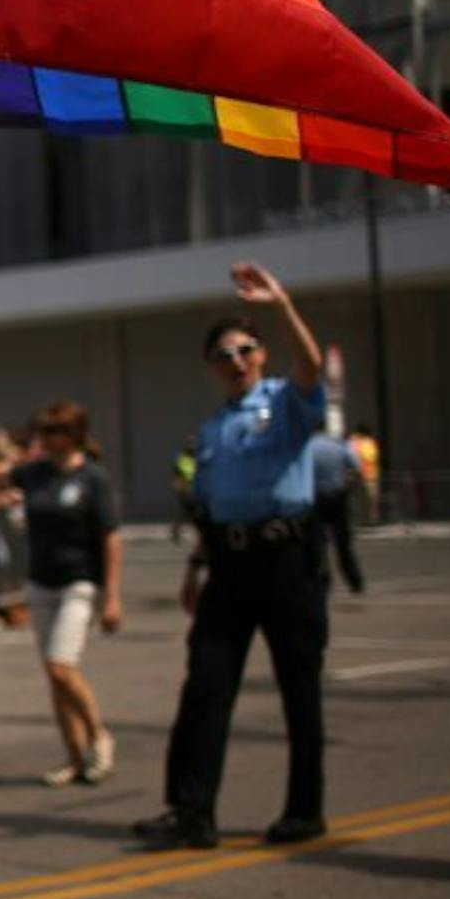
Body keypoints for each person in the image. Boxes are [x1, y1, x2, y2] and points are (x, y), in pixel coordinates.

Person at [135, 263, 331, 850]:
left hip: (288, 560)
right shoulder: (214, 429)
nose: (237, 361)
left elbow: (312, 366)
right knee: (206, 684)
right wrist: (198, 566)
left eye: (246, 350)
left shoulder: (286, 403)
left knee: (299, 689)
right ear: (212, 368)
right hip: (229, 563)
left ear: (262, 354)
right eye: (224, 355)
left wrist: (282, 303)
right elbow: (213, 502)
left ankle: (305, 809)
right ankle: (192, 811)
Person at [0, 396, 122, 786]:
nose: (44, 438)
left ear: (73, 434)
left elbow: (111, 538)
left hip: (79, 583)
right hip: (41, 583)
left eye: (53, 431)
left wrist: (112, 596)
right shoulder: (37, 472)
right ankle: (76, 758)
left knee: (62, 665)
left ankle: (99, 736)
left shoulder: (92, 478)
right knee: (54, 674)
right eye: (42, 431)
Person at [308, 430, 365, 594]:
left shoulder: (308, 447)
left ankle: (324, 580)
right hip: (338, 497)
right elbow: (355, 468)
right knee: (344, 544)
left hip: (316, 498)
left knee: (319, 544)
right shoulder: (339, 446)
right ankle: (355, 580)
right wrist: (349, 487)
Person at [348, 423, 381, 525]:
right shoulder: (368, 442)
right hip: (369, 475)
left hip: (355, 475)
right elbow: (372, 457)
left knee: (357, 499)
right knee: (371, 500)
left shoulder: (352, 442)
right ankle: (371, 520)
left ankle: (359, 520)